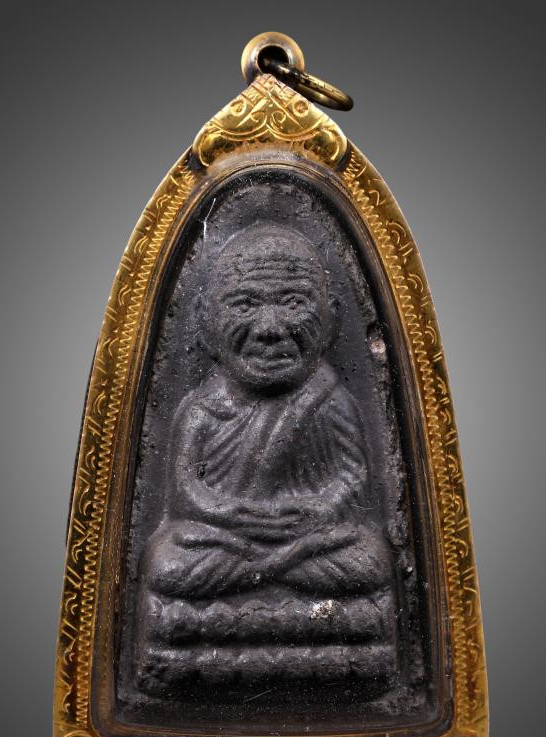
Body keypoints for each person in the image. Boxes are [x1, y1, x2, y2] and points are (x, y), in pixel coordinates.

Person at [135, 222, 397, 691]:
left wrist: (318, 512)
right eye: (244, 305)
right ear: (206, 320)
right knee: (166, 562)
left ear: (331, 317)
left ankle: (232, 624)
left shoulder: (329, 400)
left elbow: (352, 476)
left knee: (369, 560)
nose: (270, 329)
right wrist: (232, 515)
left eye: (293, 303)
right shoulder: (202, 409)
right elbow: (186, 492)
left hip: (310, 541)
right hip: (225, 541)